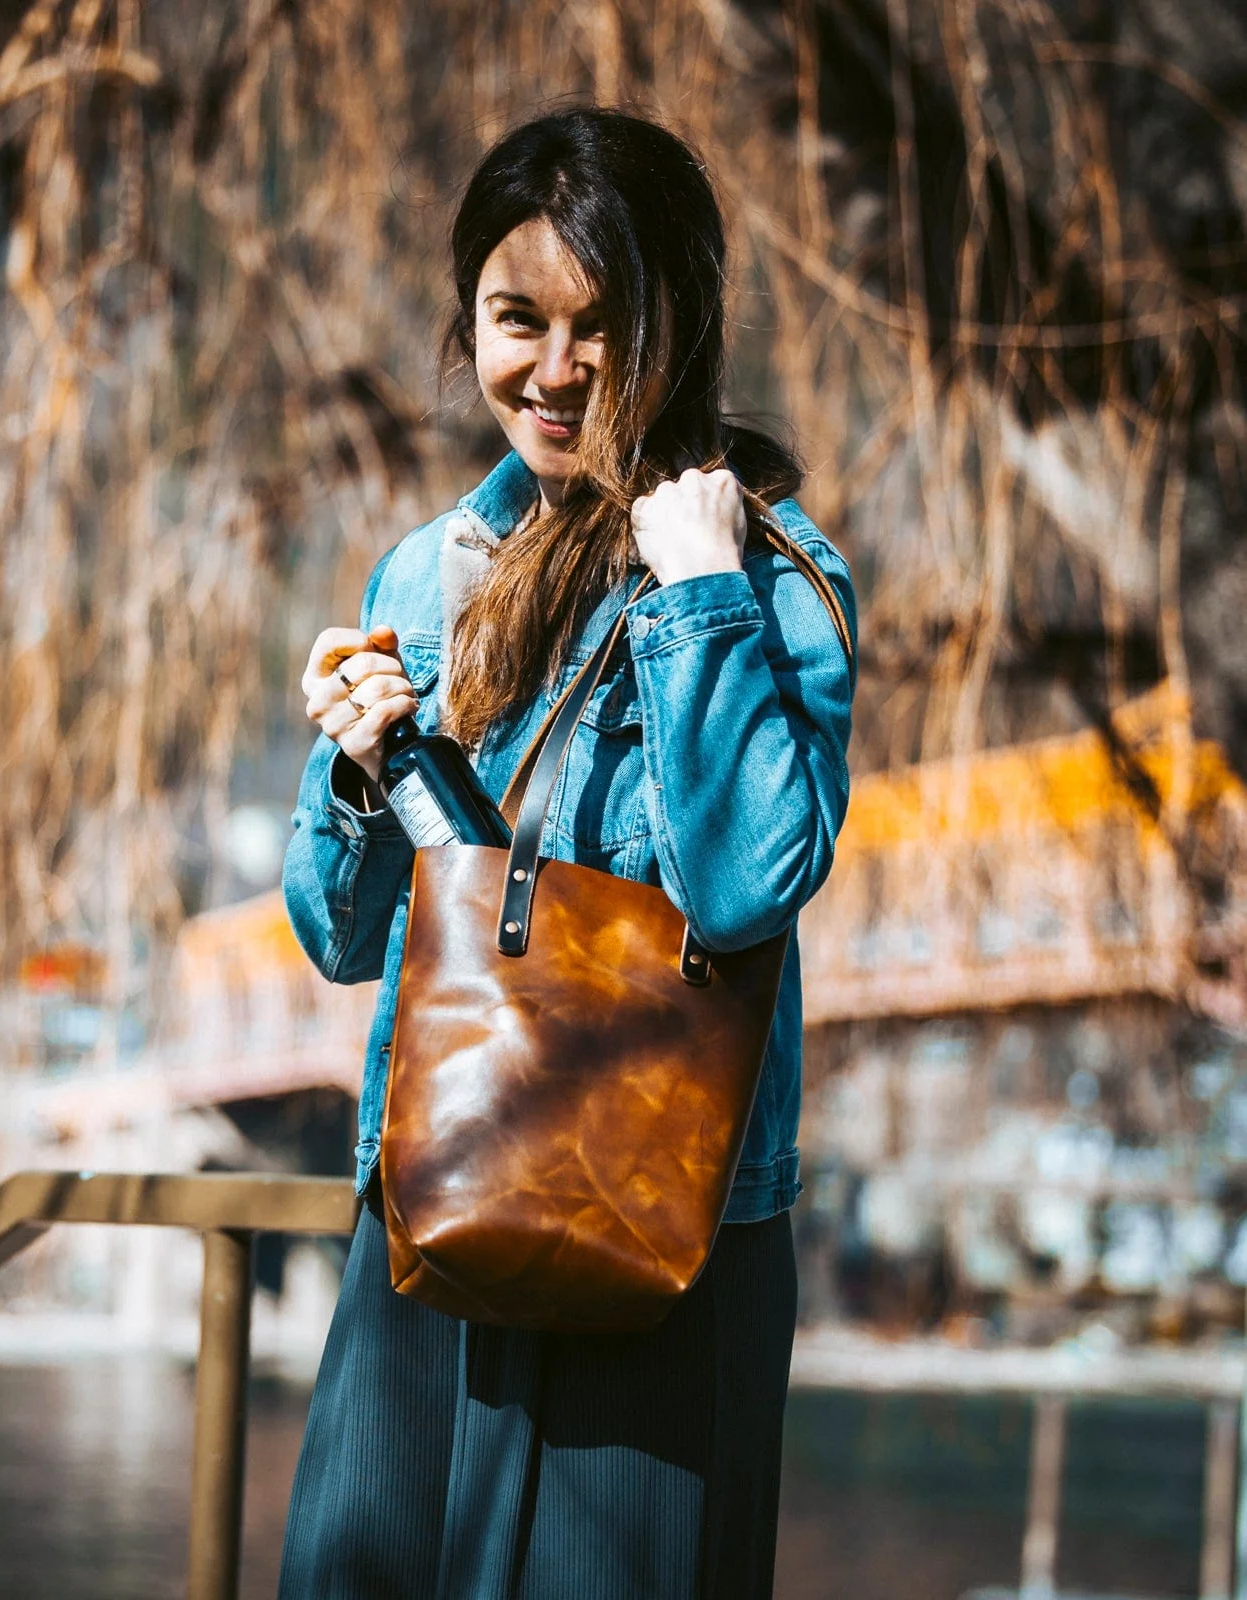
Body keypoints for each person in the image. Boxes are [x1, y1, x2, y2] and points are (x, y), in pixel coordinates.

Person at [277, 107, 856, 1600]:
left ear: (679, 318)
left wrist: (698, 596)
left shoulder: (774, 577)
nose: (550, 371)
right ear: (466, 316)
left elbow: (744, 887)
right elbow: (342, 937)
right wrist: (358, 775)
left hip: (665, 1223)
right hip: (438, 1188)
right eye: (513, 319)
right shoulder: (425, 570)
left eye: (598, 327)